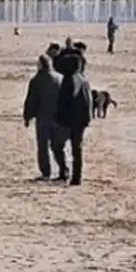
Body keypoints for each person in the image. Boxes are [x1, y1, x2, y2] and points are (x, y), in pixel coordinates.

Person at [23, 54, 67, 181]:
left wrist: (27, 116)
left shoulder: (37, 80)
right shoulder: (60, 78)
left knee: (43, 147)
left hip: (43, 117)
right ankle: (64, 170)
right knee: (57, 146)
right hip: (58, 117)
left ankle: (46, 172)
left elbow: (32, 100)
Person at [55, 44, 92, 186]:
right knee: (77, 149)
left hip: (69, 120)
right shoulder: (83, 78)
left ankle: (64, 172)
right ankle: (77, 177)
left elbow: (65, 100)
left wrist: (59, 117)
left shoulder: (69, 79)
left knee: (58, 145)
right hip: (81, 120)